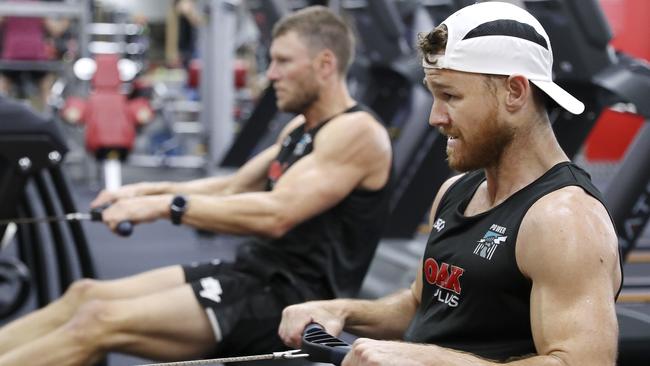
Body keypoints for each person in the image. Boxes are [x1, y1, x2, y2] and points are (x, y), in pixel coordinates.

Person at [0, 6, 392, 365]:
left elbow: (277, 214)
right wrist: (143, 193)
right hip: (254, 271)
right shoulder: (300, 127)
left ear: (325, 64)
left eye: (283, 61)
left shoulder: (356, 132)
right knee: (85, 294)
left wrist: (165, 208)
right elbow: (231, 187)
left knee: (98, 321)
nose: (270, 73)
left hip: (289, 300)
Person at [279, 2, 622, 365]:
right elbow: (421, 305)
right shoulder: (456, 191)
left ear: (515, 92)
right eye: (433, 95)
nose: (434, 117)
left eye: (451, 96)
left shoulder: (564, 220)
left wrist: (427, 361)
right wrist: (343, 311)